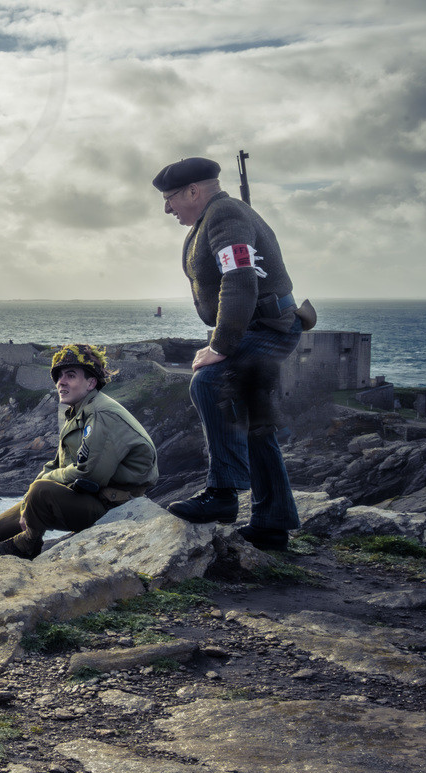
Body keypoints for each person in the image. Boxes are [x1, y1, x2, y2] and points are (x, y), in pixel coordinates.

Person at [153, 156, 304, 551]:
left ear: (193, 191)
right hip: (264, 324)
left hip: (267, 326)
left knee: (209, 381)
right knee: (252, 423)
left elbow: (239, 281)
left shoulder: (223, 216)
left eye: (170, 199)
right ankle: (273, 523)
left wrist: (221, 346)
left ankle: (222, 495)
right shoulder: (218, 214)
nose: (167, 208)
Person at [0, 345, 158, 559]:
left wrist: (38, 487)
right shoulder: (78, 411)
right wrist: (28, 499)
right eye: (60, 376)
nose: (61, 382)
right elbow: (56, 465)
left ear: (91, 383)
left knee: (41, 491)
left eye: (70, 376)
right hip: (86, 496)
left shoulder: (102, 414)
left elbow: (90, 474)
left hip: (111, 505)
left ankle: (28, 544)